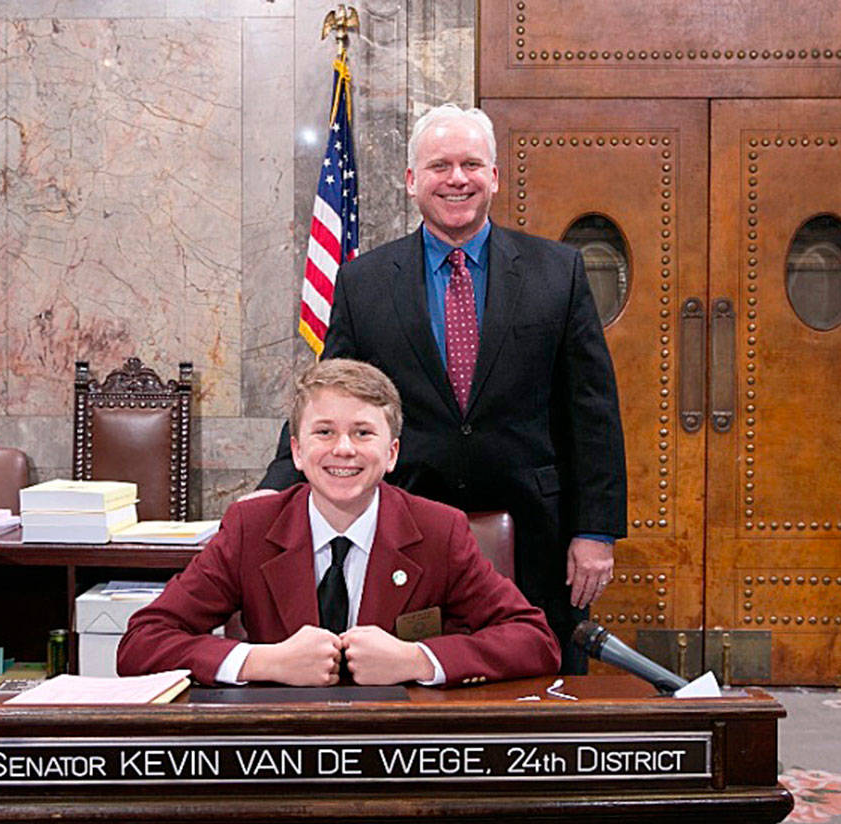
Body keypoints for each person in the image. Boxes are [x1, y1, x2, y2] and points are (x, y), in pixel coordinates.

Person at [253, 104, 626, 671]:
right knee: (409, 683)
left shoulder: (559, 272)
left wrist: (596, 529)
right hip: (406, 532)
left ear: (494, 177)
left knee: (533, 684)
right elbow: (329, 392)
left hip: (534, 536)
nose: (457, 178)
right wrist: (277, 486)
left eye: (472, 164)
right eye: (439, 166)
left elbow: (592, 411)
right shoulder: (364, 281)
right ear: (411, 182)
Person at [118, 359, 560, 686]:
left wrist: (418, 659)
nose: (343, 449)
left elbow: (535, 640)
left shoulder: (439, 531)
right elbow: (142, 642)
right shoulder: (250, 527)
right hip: (280, 754)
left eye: (363, 433)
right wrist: (262, 661)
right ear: (295, 451)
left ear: (391, 454)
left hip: (398, 755)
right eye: (324, 432)